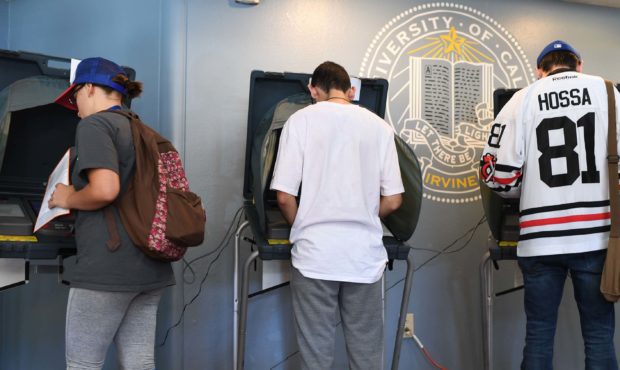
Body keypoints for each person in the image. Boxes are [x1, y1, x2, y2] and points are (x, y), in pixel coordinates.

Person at [481, 40, 619, 369]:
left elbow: (495, 175)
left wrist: (527, 190)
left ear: (540, 70)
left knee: (539, 334)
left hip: (539, 239)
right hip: (596, 237)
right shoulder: (610, 93)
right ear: (579, 64)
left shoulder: (521, 99)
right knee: (599, 334)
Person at [270, 61, 404, 370]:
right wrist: (367, 214)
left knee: (315, 354)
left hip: (315, 255)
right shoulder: (380, 127)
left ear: (312, 90)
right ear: (351, 90)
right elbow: (394, 200)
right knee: (367, 355)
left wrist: (302, 224)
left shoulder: (300, 120)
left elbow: (284, 196)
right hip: (364, 258)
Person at [51, 57, 174, 370]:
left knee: (83, 364)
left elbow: (106, 190)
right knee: (139, 362)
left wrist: (68, 196)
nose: (76, 105)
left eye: (75, 95)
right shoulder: (141, 129)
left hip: (107, 270)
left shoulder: (95, 125)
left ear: (90, 88)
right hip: (150, 268)